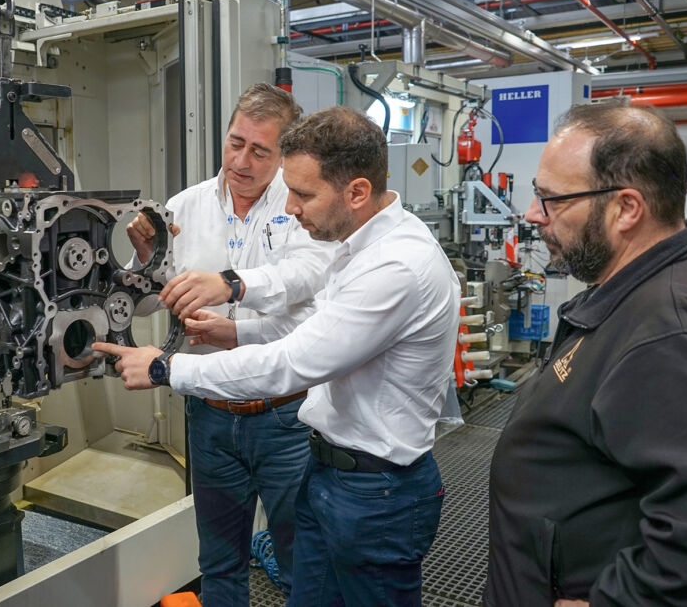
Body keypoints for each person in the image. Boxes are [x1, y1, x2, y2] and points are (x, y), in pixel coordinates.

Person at [97, 106, 461, 606]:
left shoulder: (395, 266)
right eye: (235, 143)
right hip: (331, 471)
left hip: (375, 492)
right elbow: (318, 330)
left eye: (303, 194)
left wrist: (165, 367)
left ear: (357, 192)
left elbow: (293, 362)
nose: (289, 208)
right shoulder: (359, 248)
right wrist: (237, 333)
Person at [484, 101, 687, 606]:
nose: (533, 214)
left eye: (551, 199)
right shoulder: (653, 284)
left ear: (626, 208)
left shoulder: (670, 334)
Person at [125, 83, 331, 605]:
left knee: (301, 564)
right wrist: (146, 259)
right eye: (235, 142)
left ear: (283, 154)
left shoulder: (298, 207)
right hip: (210, 415)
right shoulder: (185, 206)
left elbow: (306, 278)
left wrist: (231, 285)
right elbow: (144, 303)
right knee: (219, 565)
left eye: (260, 150)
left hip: (286, 417)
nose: (241, 161)